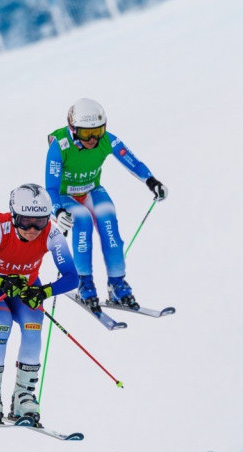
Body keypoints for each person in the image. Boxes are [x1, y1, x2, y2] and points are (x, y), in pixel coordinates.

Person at [0, 184, 79, 425]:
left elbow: (71, 277)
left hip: (25, 289)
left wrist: (44, 291)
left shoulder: (52, 234)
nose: (33, 229)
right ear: (14, 216)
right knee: (1, 324)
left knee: (34, 323)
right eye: (25, 221)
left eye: (40, 221)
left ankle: (23, 396)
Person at [45, 98, 167, 312]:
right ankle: (85, 282)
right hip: (66, 196)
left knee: (108, 220)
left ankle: (117, 283)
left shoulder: (106, 140)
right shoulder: (60, 146)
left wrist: (151, 181)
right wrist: (59, 211)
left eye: (98, 131)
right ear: (73, 130)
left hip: (92, 189)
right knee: (81, 220)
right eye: (85, 134)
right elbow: (51, 188)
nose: (93, 139)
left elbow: (133, 162)